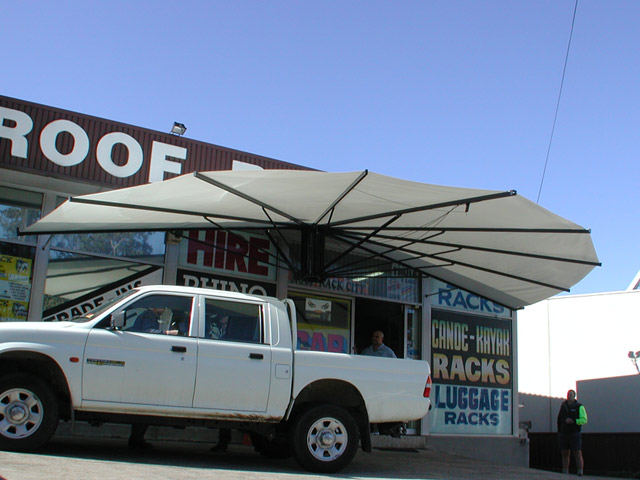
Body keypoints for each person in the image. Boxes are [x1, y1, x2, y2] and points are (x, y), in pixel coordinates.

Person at [557, 389, 588, 476]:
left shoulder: (579, 407)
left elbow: (584, 420)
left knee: (577, 452)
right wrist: (559, 431)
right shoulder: (563, 406)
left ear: (574, 396)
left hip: (575, 433)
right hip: (564, 433)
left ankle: (580, 471)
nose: (569, 396)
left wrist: (574, 421)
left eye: (571, 395)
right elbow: (559, 418)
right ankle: (565, 471)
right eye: (568, 394)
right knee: (565, 452)